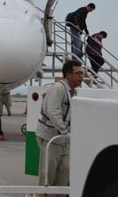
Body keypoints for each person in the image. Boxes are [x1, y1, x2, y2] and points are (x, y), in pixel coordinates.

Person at [35, 60, 83, 196]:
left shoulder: (74, 92)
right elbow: (53, 112)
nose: (81, 77)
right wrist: (63, 131)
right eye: (78, 73)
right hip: (50, 136)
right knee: (48, 174)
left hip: (64, 139)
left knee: (66, 169)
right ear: (68, 74)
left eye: (82, 73)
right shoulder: (58, 88)